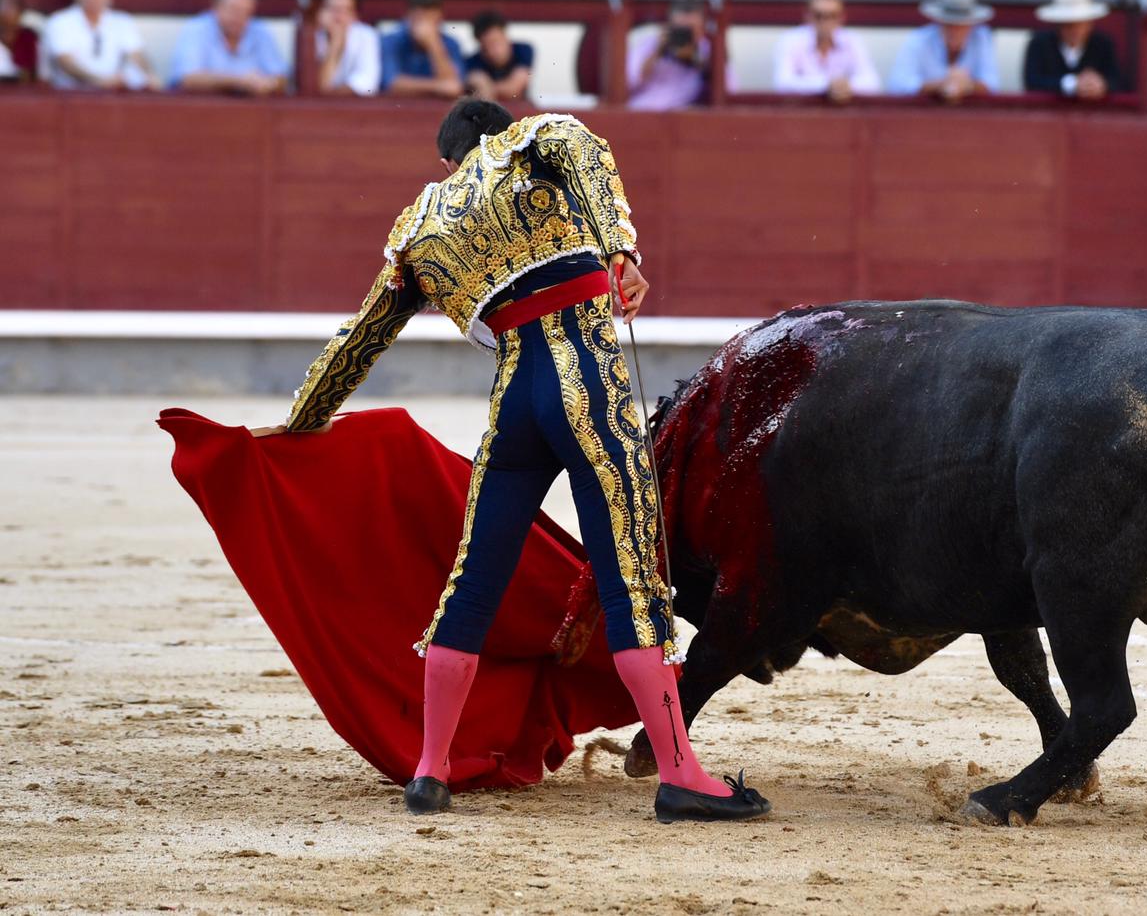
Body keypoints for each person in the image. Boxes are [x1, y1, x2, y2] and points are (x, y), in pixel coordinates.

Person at [254, 100, 773, 825]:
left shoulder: (420, 230)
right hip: (587, 386)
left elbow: (358, 342)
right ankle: (680, 772)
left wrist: (299, 422)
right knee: (630, 579)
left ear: (446, 163)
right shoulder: (529, 141)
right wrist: (622, 250)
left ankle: (430, 771)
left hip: (514, 408)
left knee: (470, 585)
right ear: (494, 135)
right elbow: (584, 151)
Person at [41, 0, 157, 91]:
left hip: (114, 96)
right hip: (71, 97)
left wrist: (150, 75)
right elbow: (65, 62)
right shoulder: (60, 21)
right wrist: (98, 82)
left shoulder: (123, 22)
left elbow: (137, 55)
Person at [168, 0, 290, 96]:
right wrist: (240, 81)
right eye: (233, 10)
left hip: (252, 110)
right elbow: (188, 79)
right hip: (199, 110)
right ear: (216, 7)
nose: (239, 17)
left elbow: (282, 78)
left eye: (245, 12)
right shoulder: (196, 28)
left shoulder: (260, 31)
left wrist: (270, 83)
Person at [885, 0, 998, 103]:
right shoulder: (919, 39)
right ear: (939, 22)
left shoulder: (981, 37)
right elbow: (898, 84)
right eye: (949, 24)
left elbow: (992, 84)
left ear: (971, 25)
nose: (955, 30)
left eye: (962, 25)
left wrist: (968, 86)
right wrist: (939, 86)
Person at [626, 0, 731, 110]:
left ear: (702, 29)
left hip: (685, 118)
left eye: (691, 30)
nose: (684, 36)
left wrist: (698, 61)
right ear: (670, 25)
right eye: (680, 30)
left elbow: (730, 89)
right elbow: (628, 81)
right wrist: (657, 51)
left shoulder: (708, 51)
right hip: (641, 112)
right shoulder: (651, 43)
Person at [771, 0, 879, 102]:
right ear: (807, 16)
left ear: (842, 18)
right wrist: (827, 85)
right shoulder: (791, 40)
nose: (825, 22)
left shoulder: (852, 40)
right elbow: (782, 83)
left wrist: (846, 86)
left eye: (832, 16)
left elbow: (872, 82)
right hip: (801, 113)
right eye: (819, 15)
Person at [1022, 0, 1126, 100]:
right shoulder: (1039, 44)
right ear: (1058, 25)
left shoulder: (1103, 44)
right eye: (1068, 25)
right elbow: (1032, 82)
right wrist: (1071, 84)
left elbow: (1117, 80)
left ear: (1089, 24)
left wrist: (1101, 84)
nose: (1075, 31)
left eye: (1080, 24)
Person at [380, 0, 466, 99]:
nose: (425, 27)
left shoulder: (451, 44)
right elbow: (391, 83)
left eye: (431, 20)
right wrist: (437, 86)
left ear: (440, 19)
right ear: (408, 17)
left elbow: (454, 87)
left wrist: (433, 44)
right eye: (420, 19)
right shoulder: (390, 41)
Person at [314, 0, 380, 96]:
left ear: (355, 15)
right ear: (321, 12)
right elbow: (315, 87)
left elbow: (367, 83)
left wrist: (332, 94)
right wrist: (334, 48)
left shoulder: (366, 35)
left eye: (345, 10)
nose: (338, 17)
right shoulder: (312, 35)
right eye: (332, 9)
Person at [465, 9, 534, 103]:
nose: (492, 51)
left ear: (504, 35)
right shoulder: (472, 62)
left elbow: (514, 89)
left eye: (496, 42)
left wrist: (487, 86)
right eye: (486, 46)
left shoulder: (523, 50)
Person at [0, 0, 41, 83]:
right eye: (3, 8)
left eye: (11, 8)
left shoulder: (28, 38)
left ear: (21, 13)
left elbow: (29, 76)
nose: (6, 13)